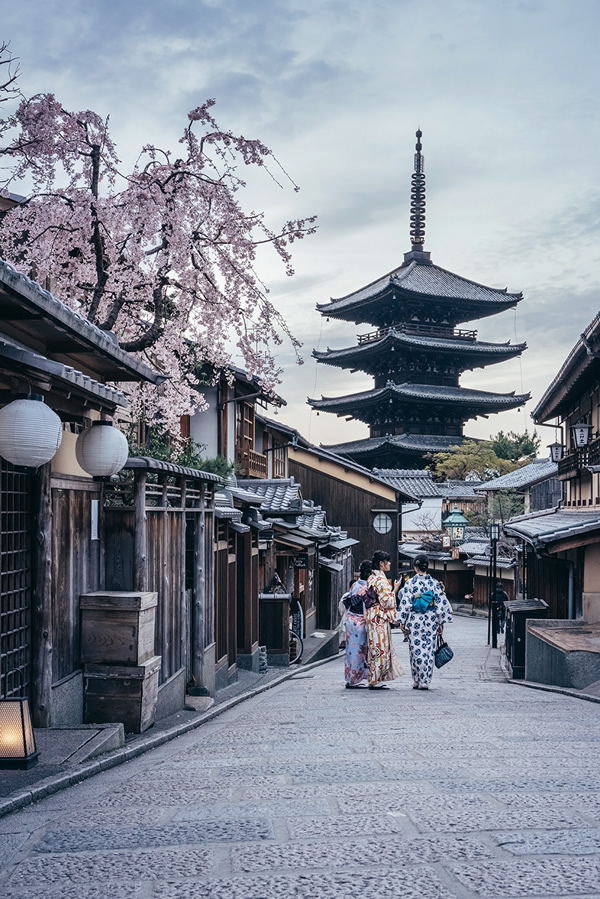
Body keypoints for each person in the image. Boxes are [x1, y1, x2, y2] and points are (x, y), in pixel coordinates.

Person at [397, 554, 453, 690]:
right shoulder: (434, 583)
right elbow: (440, 604)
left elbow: (405, 603)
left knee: (415, 649)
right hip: (430, 619)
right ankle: (425, 680)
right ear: (426, 567)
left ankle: (416, 679)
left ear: (415, 568)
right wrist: (441, 623)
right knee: (428, 650)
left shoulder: (410, 583)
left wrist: (401, 621)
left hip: (414, 619)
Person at [365, 550, 404, 690]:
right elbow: (387, 602)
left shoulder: (371, 577)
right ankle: (375, 680)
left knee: (373, 647)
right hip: (379, 618)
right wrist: (395, 590)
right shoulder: (381, 579)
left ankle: (373, 678)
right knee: (380, 648)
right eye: (388, 561)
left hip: (372, 616)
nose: (390, 564)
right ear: (382, 564)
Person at [341, 563, 370, 689]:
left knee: (351, 651)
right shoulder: (368, 587)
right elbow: (366, 608)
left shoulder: (355, 585)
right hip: (360, 621)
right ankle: (355, 679)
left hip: (350, 620)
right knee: (359, 651)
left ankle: (351, 678)